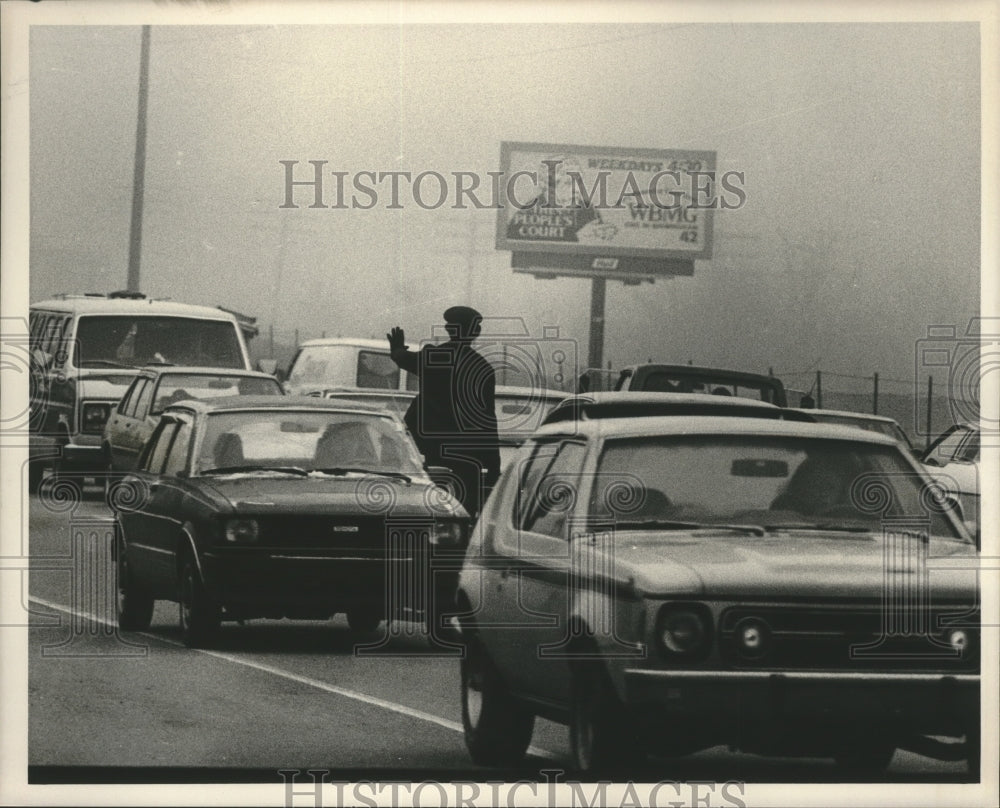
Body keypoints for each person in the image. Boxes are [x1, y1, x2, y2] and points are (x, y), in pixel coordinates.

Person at [387, 306, 501, 519]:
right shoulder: (482, 368)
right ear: (474, 333)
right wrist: (493, 466)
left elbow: (403, 358)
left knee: (422, 507)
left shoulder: (433, 356)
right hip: (466, 454)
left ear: (449, 330)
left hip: (428, 448)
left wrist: (396, 349)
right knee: (465, 513)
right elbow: (487, 419)